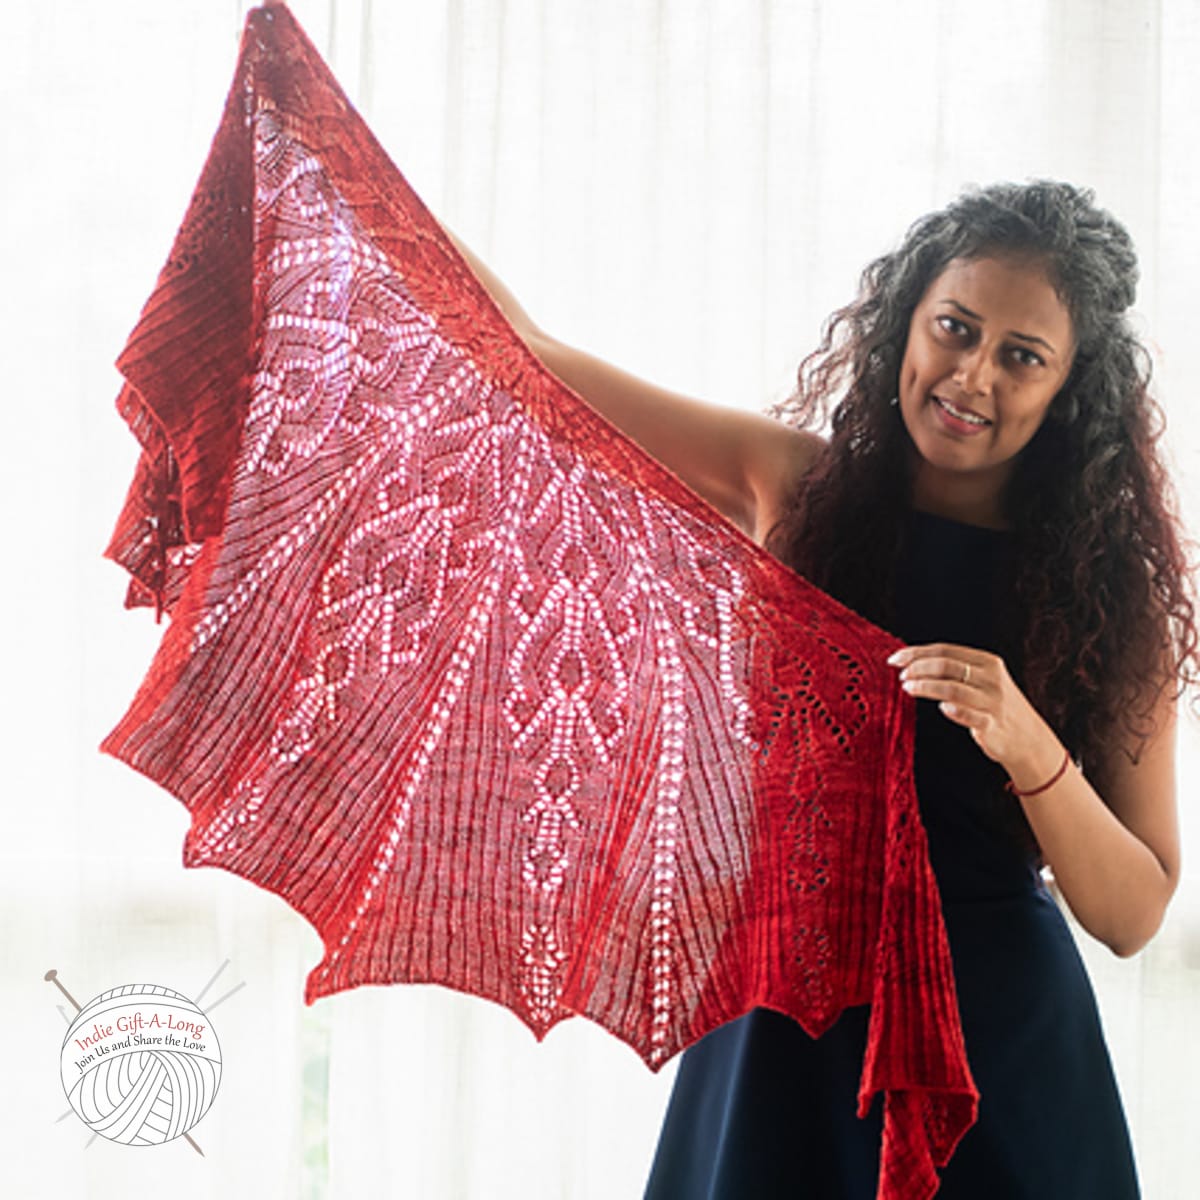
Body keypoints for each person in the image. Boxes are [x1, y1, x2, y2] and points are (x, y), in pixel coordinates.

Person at [450, 180, 1195, 1197]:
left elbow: (1133, 912)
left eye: (1021, 356)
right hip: (781, 1023)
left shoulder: (1110, 597)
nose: (972, 375)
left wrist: (1027, 743)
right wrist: (342, 144)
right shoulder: (787, 485)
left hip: (999, 1055)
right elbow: (531, 365)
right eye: (956, 328)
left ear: (1070, 389)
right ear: (907, 321)